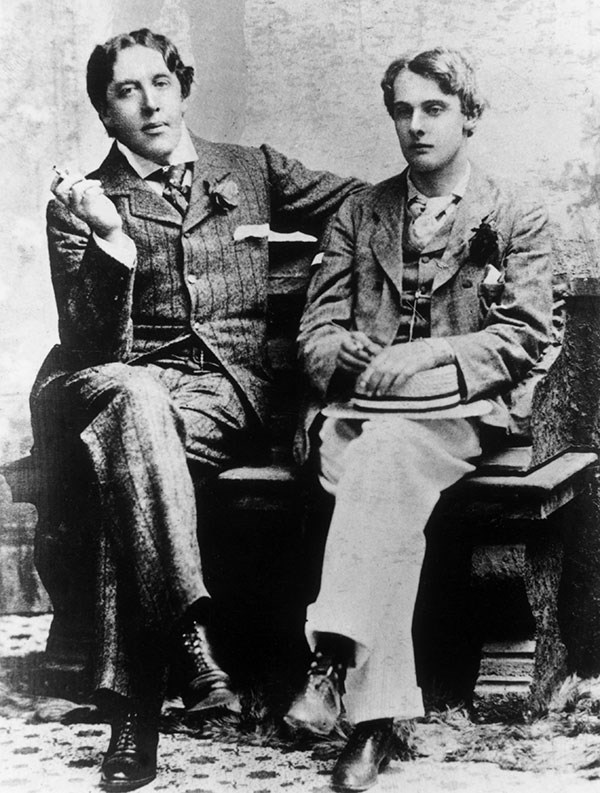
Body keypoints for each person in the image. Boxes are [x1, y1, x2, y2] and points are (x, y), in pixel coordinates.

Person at [31, 27, 363, 791]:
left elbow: (364, 207)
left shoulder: (249, 169)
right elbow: (86, 342)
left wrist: (344, 288)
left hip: (220, 395)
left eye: (160, 83)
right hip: (100, 383)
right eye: (126, 91)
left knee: (134, 453)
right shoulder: (81, 202)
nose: (150, 103)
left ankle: (140, 704)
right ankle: (181, 644)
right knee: (135, 401)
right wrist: (111, 237)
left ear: (183, 86)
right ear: (106, 115)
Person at [285, 47, 553, 791]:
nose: (415, 124)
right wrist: (347, 347)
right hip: (360, 414)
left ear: (469, 117)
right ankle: (374, 718)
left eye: (433, 109)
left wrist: (433, 354)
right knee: (383, 473)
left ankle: (336, 662)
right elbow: (316, 333)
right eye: (402, 110)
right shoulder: (359, 212)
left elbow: (526, 335)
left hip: (461, 415)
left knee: (387, 460)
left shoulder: (515, 213)